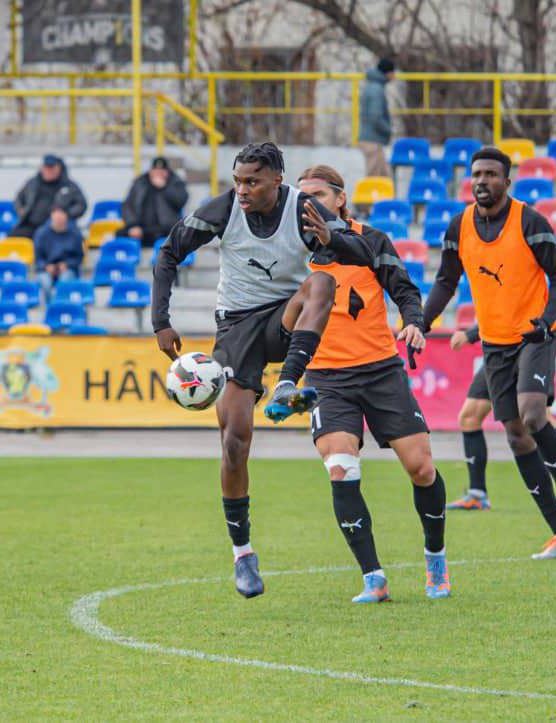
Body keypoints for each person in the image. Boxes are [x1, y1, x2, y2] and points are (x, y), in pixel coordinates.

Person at [153, 142, 375, 598]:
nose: (242, 190)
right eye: (237, 181)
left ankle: (289, 382)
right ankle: (243, 553)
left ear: (278, 179)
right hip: (236, 327)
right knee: (235, 439)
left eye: (251, 182)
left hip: (283, 317)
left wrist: (333, 239)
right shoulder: (222, 209)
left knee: (322, 281)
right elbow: (168, 253)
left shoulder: (303, 209)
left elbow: (361, 252)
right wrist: (161, 321)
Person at [422, 147, 556, 560]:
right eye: (476, 173)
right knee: (514, 434)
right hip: (494, 344)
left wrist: (546, 321)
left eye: (491, 174)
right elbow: (445, 281)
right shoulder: (459, 226)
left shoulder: (529, 221)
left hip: (533, 337)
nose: (482, 181)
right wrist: (419, 322)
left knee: (533, 416)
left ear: (506, 182)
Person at [296, 165, 449, 604]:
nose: (309, 204)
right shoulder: (291, 251)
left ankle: (435, 557)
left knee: (421, 468)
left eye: (319, 195)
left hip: (381, 369)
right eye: (301, 197)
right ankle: (373, 577)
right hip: (327, 378)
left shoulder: (372, 240)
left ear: (340, 199)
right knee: (341, 467)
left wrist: (414, 322)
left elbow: (403, 289)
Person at [445, 327, 556, 514]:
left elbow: (508, 312)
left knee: (541, 420)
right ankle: (477, 493)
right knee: (469, 416)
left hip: (526, 348)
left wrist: (470, 335)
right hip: (498, 350)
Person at [13, 155, 87, 239]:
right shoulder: (32, 183)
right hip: (31, 225)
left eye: (51, 167)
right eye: (46, 167)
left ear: (59, 168)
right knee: (12, 238)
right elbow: (18, 198)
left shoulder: (69, 186)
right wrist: (21, 210)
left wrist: (66, 214)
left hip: (57, 226)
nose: (48, 170)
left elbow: (81, 205)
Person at [120, 157, 188, 247]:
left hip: (167, 228)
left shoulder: (175, 182)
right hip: (142, 227)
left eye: (162, 172)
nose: (158, 174)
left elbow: (181, 201)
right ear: (150, 171)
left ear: (167, 172)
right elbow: (127, 206)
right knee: (119, 234)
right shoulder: (140, 182)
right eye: (155, 171)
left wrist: (165, 188)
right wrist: (133, 225)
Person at [33, 206, 84, 300]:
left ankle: (61, 305)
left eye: (61, 214)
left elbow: (79, 257)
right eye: (56, 214)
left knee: (64, 282)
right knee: (45, 283)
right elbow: (38, 258)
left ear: (66, 216)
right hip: (46, 269)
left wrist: (68, 264)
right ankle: (50, 307)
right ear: (51, 216)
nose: (59, 217)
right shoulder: (41, 234)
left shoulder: (75, 234)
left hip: (68, 269)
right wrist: (46, 266)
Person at [357, 57, 395, 179]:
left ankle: (385, 199)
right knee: (373, 177)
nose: (394, 76)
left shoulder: (373, 86)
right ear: (388, 72)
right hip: (372, 140)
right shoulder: (376, 89)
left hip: (373, 139)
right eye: (393, 72)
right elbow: (375, 117)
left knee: (384, 176)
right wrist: (388, 130)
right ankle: (367, 199)